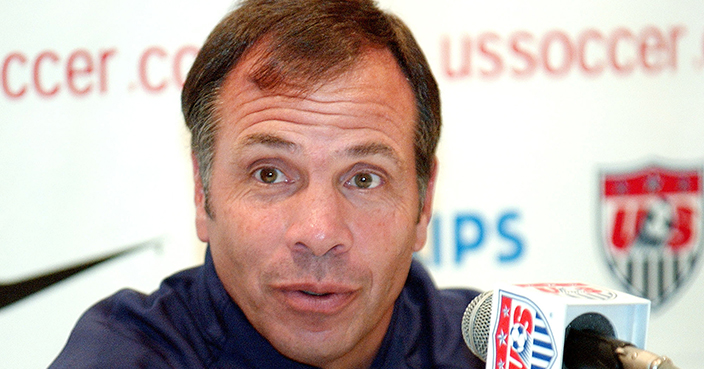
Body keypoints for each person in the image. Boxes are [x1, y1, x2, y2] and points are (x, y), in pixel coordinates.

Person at [50, 0, 483, 367]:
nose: (319, 233)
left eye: (364, 179)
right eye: (269, 174)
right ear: (203, 194)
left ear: (423, 204)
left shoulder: (493, 348)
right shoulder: (128, 355)